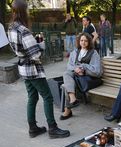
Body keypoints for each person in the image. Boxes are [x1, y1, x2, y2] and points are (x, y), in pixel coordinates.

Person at [7, 0, 70, 139]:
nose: (28, 12)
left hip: (23, 67)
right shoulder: (23, 30)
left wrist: (33, 44)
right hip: (32, 68)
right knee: (47, 96)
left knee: (32, 96)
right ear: (23, 11)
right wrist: (41, 45)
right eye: (27, 9)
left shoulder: (11, 28)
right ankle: (52, 128)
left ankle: (33, 128)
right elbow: (35, 54)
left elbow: (21, 48)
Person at [61, 33, 102, 120]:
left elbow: (97, 71)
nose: (83, 43)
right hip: (77, 76)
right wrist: (76, 69)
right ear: (79, 41)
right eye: (81, 40)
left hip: (88, 78)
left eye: (86, 41)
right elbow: (69, 66)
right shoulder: (75, 52)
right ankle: (73, 98)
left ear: (89, 42)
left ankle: (67, 110)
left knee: (67, 85)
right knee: (66, 73)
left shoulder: (94, 53)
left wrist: (84, 68)